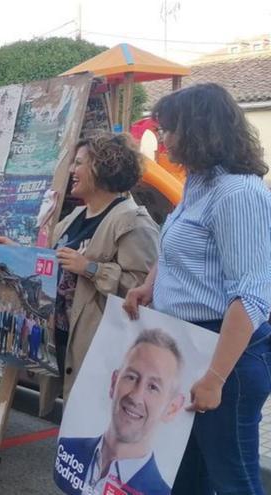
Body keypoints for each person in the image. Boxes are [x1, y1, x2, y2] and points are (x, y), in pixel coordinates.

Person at [123, 83, 271, 495]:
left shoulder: (239, 193)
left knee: (233, 478)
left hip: (226, 355)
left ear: (201, 130)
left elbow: (253, 294)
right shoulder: (198, 183)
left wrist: (216, 377)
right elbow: (176, 247)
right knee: (185, 475)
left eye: (170, 130)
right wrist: (148, 286)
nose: (163, 140)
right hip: (186, 345)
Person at [0, 132, 158, 396]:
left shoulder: (132, 221)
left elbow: (143, 288)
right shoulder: (77, 215)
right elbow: (53, 262)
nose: (72, 170)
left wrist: (91, 269)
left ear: (102, 167)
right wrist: (15, 252)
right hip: (66, 341)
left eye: (78, 163)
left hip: (101, 350)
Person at [55, 329, 185, 495]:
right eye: (131, 377)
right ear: (113, 382)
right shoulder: (67, 449)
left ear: (172, 409)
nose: (136, 397)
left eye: (153, 387)